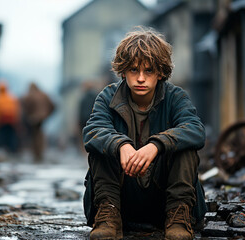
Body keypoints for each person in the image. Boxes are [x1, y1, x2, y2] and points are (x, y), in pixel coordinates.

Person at [82, 26, 207, 240]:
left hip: (164, 201)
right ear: (123, 71)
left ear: (160, 72)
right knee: (100, 147)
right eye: (134, 70)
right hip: (122, 198)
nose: (141, 78)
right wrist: (121, 145)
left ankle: (178, 219)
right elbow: (93, 130)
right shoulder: (108, 96)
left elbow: (196, 130)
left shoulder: (176, 97)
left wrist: (156, 145)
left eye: (148, 71)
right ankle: (108, 217)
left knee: (185, 146)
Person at [20, 82, 55, 162]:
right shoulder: (44, 95)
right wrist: (47, 114)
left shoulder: (30, 95)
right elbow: (53, 105)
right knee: (39, 134)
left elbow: (25, 105)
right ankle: (40, 152)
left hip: (33, 118)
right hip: (43, 117)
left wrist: (28, 115)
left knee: (34, 135)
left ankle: (36, 153)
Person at [0, 82, 20, 153]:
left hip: (2, 120)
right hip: (11, 120)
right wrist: (16, 120)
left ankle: (2, 150)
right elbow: (16, 109)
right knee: (10, 136)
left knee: (2, 135)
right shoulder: (11, 97)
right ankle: (11, 150)